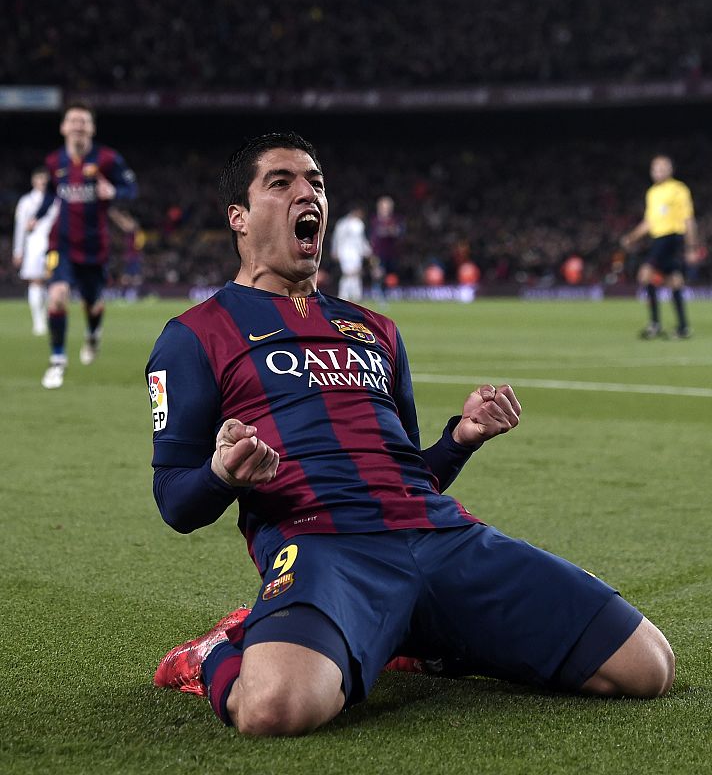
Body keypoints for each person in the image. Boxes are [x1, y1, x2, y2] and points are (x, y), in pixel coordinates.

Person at [147, 132, 674, 738]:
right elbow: (174, 502)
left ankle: (412, 634)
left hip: (438, 533)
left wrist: (461, 438)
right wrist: (221, 474)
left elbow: (410, 472)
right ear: (238, 217)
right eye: (282, 181)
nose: (307, 192)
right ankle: (215, 651)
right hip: (324, 544)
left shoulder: (377, 329)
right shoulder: (194, 336)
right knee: (274, 710)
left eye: (315, 181)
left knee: (647, 668)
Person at [34, 101, 138, 389]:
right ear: (63, 127)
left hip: (95, 248)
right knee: (56, 296)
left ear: (91, 128)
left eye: (84, 121)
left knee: (93, 306)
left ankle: (93, 334)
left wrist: (114, 190)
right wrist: (37, 216)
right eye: (73, 120)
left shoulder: (107, 159)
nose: (78, 125)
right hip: (62, 245)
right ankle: (57, 361)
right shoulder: (55, 162)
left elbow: (132, 189)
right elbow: (50, 197)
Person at [621, 155, 699, 339]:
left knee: (645, 275)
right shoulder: (652, 193)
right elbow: (649, 222)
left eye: (663, 168)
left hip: (671, 237)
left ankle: (655, 325)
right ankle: (683, 327)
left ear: (670, 170)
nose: (658, 171)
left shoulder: (679, 190)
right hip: (658, 238)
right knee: (674, 281)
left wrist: (692, 247)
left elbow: (688, 219)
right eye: (655, 168)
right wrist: (631, 237)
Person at [12, 166, 58, 336]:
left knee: (51, 283)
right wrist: (18, 250)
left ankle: (47, 317)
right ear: (33, 181)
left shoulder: (55, 200)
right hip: (33, 246)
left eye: (45, 179)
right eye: (39, 178)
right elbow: (20, 228)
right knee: (35, 281)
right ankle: (38, 321)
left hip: (52, 245)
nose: (42, 182)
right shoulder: (25, 202)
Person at [330, 205, 372, 301]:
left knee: (355, 274)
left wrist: (367, 250)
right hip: (345, 252)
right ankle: (344, 295)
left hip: (355, 253)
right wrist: (335, 250)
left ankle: (355, 295)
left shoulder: (357, 223)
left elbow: (361, 240)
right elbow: (337, 238)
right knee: (348, 274)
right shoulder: (343, 223)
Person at [369, 195, 405, 296]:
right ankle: (377, 294)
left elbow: (400, 232)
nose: (386, 209)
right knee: (378, 275)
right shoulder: (374, 220)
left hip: (392, 253)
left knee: (391, 276)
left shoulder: (396, 219)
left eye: (388, 207)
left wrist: (390, 231)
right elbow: (372, 236)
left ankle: (390, 294)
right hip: (377, 253)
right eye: (384, 207)